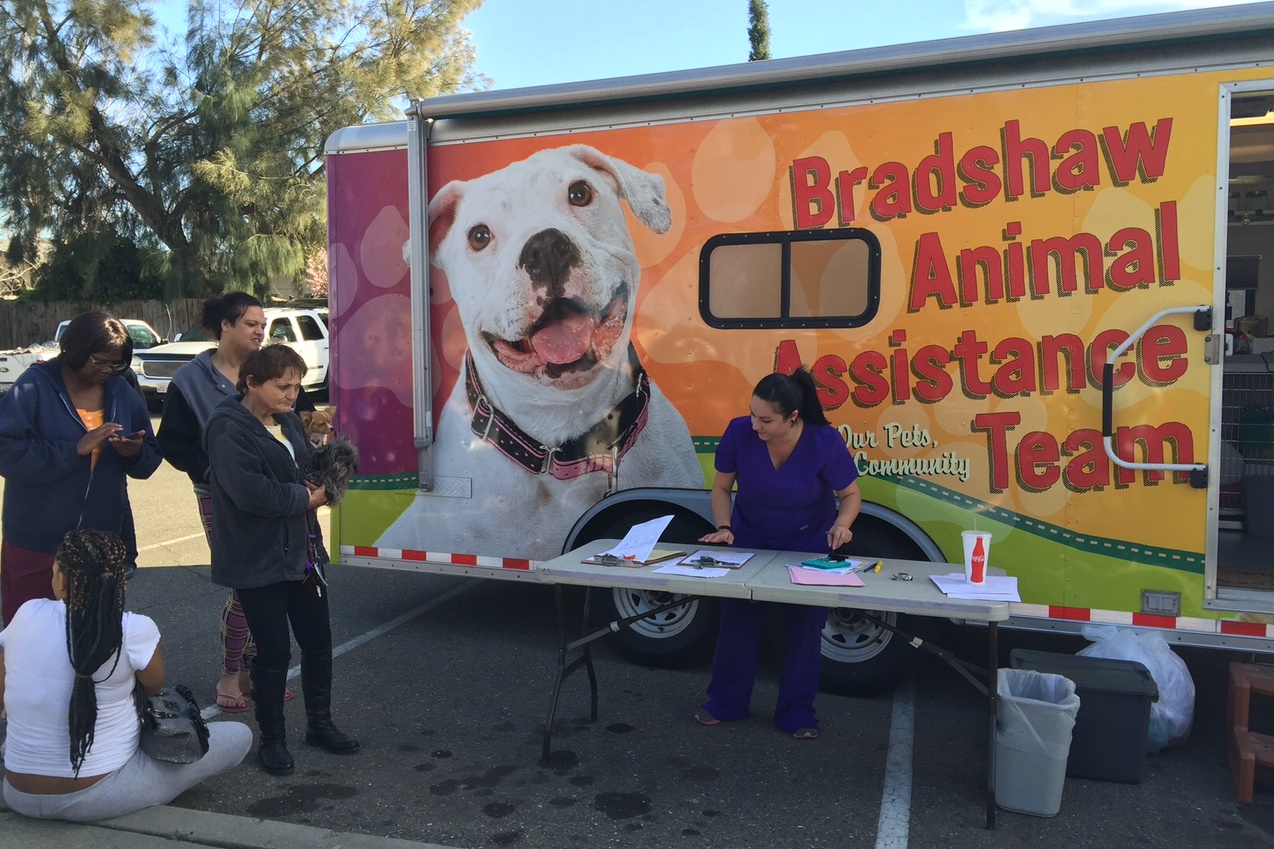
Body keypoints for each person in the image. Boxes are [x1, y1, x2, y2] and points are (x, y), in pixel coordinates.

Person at [0, 529, 252, 821]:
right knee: (239, 736)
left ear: (61, 580)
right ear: (120, 582)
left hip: (18, 793)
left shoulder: (27, 613)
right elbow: (154, 687)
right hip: (98, 796)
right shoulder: (134, 629)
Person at [205, 344, 359, 775]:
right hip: (258, 558)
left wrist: (330, 468)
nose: (292, 395)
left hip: (303, 553)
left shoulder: (288, 420)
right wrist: (306, 497)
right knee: (272, 653)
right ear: (251, 382)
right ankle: (271, 741)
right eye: (281, 386)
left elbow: (304, 468)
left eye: (296, 385)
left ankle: (320, 724)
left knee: (318, 641)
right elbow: (249, 491)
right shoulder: (227, 427)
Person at [158, 293, 307, 712]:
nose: (261, 330)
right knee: (248, 586)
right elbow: (172, 442)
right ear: (225, 326)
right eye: (251, 324)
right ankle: (230, 673)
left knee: (272, 584)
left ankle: (259, 670)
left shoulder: (275, 369)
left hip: (277, 498)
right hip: (219, 498)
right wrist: (215, 472)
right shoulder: (189, 379)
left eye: (264, 324)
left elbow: (299, 418)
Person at [694, 369, 862, 740]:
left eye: (765, 419)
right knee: (737, 622)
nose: (755, 425)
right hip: (749, 537)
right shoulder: (739, 432)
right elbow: (721, 488)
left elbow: (850, 495)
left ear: (793, 417)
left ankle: (797, 713)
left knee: (804, 630)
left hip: (807, 544)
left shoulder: (824, 440)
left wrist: (843, 524)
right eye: (752, 414)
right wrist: (724, 528)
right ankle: (725, 702)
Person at [0, 311, 162, 626]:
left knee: (95, 637)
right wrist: (73, 449)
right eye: (101, 362)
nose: (109, 370)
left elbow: (151, 457)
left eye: (118, 363)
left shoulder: (121, 388)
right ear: (74, 350)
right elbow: (6, 450)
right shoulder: (35, 386)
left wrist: (135, 452)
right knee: (31, 636)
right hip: (38, 545)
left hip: (101, 543)